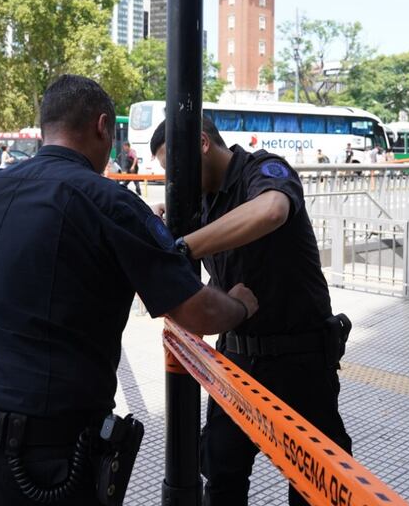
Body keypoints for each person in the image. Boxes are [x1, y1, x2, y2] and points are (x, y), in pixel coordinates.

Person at [0, 75, 258, 506]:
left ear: (46, 126)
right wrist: (241, 306)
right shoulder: (109, 202)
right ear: (103, 127)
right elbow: (199, 314)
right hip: (41, 464)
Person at [150, 117, 352, 506]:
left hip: (301, 360)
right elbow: (218, 281)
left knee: (314, 481)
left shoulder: (261, 169)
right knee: (223, 472)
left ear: (203, 143)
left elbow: (272, 210)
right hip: (238, 359)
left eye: (173, 166)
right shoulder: (204, 202)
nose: (174, 179)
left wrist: (184, 246)